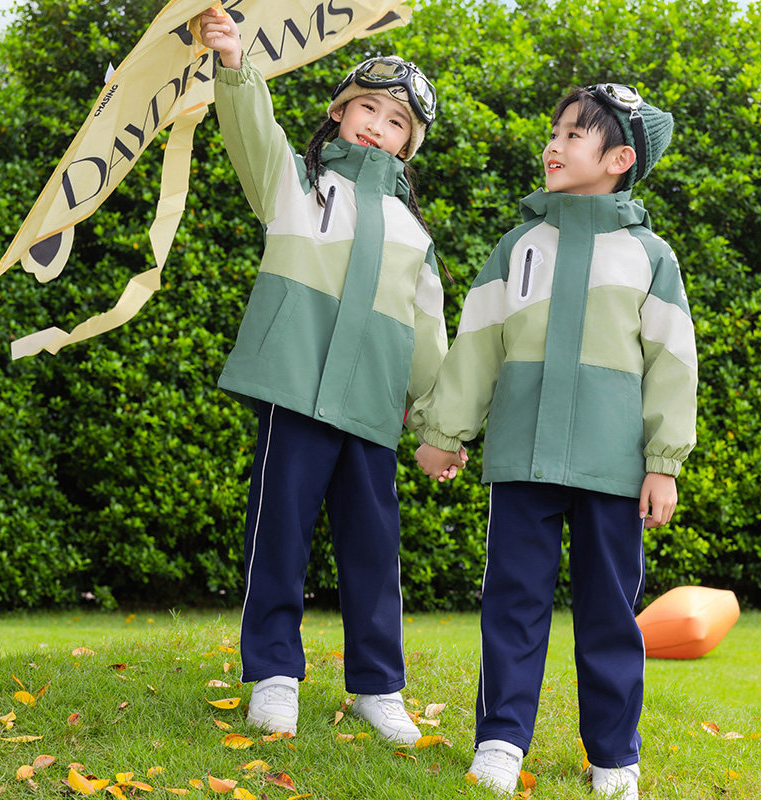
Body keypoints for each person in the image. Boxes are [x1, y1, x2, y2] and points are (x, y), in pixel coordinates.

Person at [412, 83, 697, 798]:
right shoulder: (519, 247)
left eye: (574, 135)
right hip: (522, 457)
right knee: (512, 602)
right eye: (554, 131)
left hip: (612, 468)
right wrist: (445, 432)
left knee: (609, 612)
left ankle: (614, 758)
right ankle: (502, 740)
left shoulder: (649, 256)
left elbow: (672, 365)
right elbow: (477, 344)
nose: (554, 144)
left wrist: (663, 464)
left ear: (620, 158)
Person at [198, 8, 455, 744]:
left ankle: (380, 689)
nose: (379, 125)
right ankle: (274, 676)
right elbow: (249, 128)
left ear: (412, 144)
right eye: (366, 108)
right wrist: (234, 64)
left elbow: (429, 333)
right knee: (278, 535)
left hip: (373, 408)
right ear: (339, 115)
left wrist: (438, 422)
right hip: (296, 392)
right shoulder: (293, 182)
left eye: (397, 120)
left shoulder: (415, 233)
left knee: (375, 551)